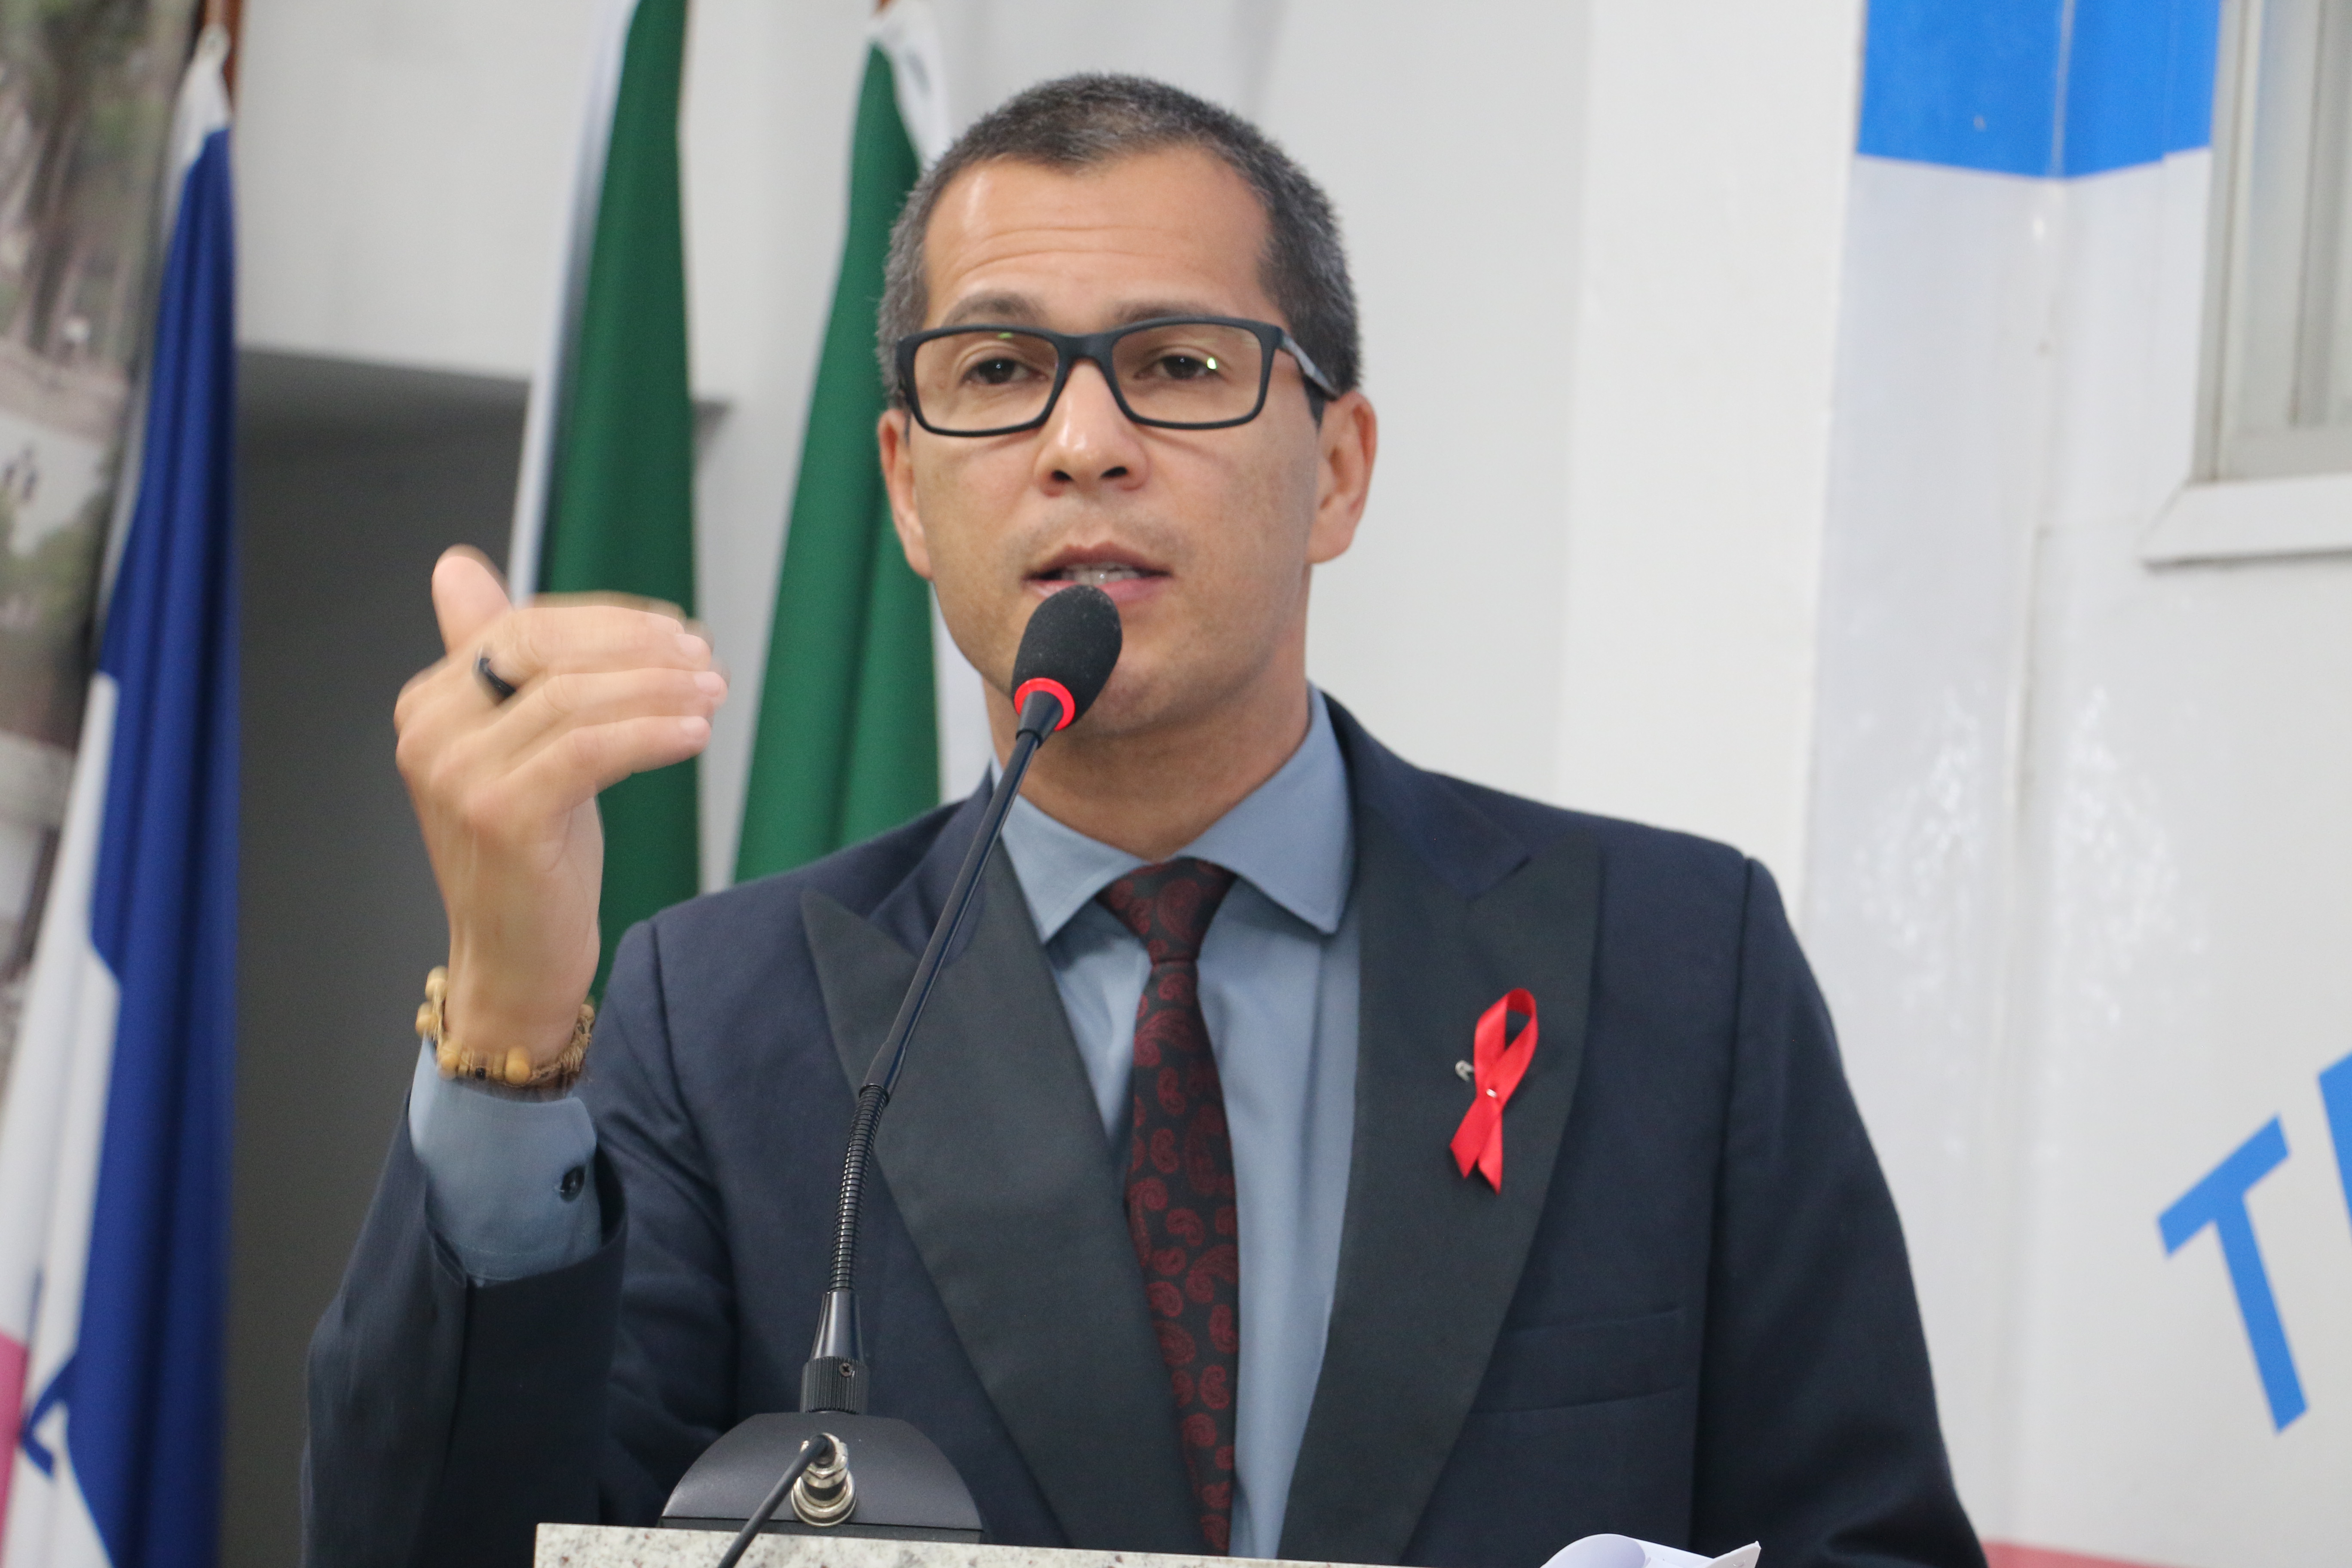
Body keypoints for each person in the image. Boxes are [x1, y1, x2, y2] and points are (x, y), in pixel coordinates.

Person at [305, 74, 1982, 1568]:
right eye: (999, 371)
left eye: (1179, 366)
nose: (1084, 444)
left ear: (1338, 469)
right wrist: (510, 1018)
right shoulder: (718, 1016)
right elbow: (455, 1547)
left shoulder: (1682, 967)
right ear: (905, 486)